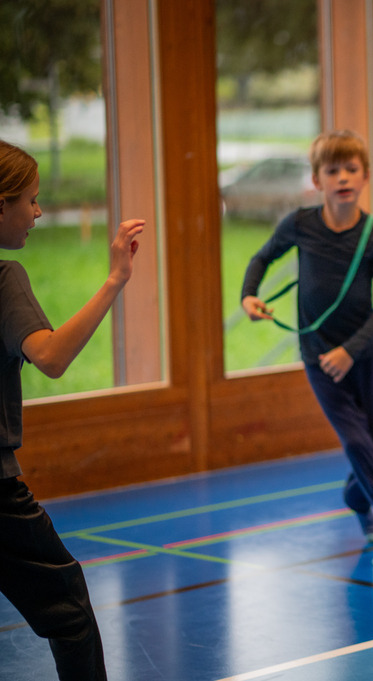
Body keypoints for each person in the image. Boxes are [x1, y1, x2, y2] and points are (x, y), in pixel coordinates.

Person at [0, 140, 145, 680]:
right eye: (31, 200)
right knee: (70, 614)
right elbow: (52, 357)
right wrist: (115, 280)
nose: (37, 212)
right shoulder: (5, 278)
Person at [241, 130, 373, 569]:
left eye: (350, 169)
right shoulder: (299, 224)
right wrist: (249, 295)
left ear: (365, 177)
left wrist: (352, 351)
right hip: (319, 359)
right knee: (358, 444)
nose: (342, 178)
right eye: (331, 171)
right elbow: (260, 258)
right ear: (317, 180)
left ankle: (356, 500)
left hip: (362, 358)